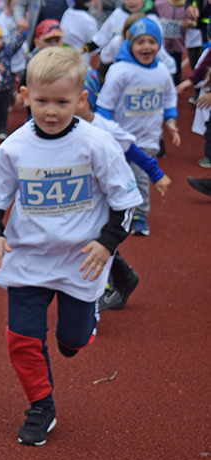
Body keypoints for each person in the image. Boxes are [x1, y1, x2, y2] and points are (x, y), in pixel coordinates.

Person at [0, 47, 142, 446]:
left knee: (72, 341)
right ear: (25, 95)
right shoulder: (14, 147)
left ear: (81, 99)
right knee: (23, 338)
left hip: (80, 261)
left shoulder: (96, 144)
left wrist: (107, 243)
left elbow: (125, 203)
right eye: (42, 100)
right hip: (28, 259)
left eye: (62, 102)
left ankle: (83, 327)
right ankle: (40, 406)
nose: (50, 111)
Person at [78, 68, 171, 310]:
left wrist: (156, 174)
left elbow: (133, 150)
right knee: (84, 239)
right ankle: (124, 278)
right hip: (79, 197)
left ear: (87, 98)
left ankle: (106, 289)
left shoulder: (104, 127)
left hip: (106, 197)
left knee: (97, 239)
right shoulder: (57, 128)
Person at [96, 17, 180, 236]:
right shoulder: (120, 70)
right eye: (140, 41)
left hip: (148, 137)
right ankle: (113, 211)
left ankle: (141, 215)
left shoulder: (161, 70)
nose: (146, 47)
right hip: (119, 137)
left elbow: (169, 96)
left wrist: (171, 119)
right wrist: (102, 131)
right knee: (115, 176)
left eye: (152, 42)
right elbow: (104, 105)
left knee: (140, 175)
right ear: (130, 43)